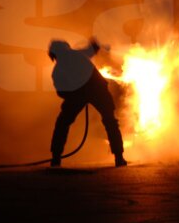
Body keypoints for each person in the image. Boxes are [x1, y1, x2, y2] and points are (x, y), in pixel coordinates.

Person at [48, 38, 127, 167]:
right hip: (95, 90)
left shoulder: (58, 70)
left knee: (63, 123)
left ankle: (56, 157)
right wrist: (94, 44)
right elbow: (93, 49)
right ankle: (119, 157)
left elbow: (61, 92)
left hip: (86, 92)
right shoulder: (76, 56)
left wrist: (73, 95)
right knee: (110, 121)